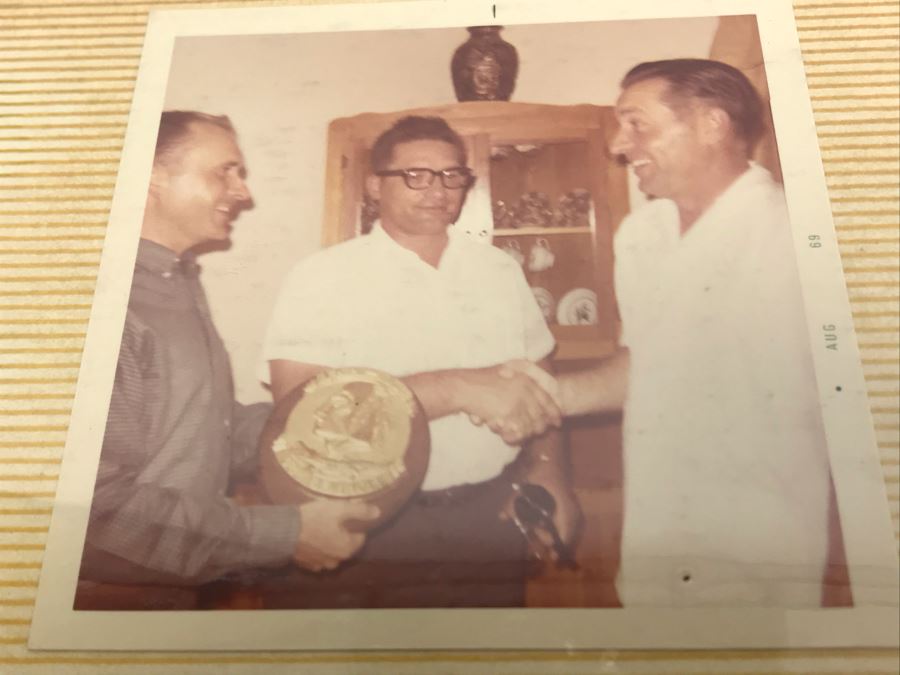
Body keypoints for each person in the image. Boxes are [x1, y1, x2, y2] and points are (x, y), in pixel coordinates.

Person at [509, 59, 832, 606]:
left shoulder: (798, 233)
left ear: (712, 125)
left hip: (758, 546)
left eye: (637, 124)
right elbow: (649, 364)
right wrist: (548, 395)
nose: (617, 144)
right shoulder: (642, 235)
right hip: (655, 539)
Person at [259, 115, 578, 607]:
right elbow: (298, 408)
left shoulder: (497, 271)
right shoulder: (321, 277)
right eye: (416, 175)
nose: (436, 190)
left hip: (486, 515)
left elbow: (541, 378)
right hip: (367, 523)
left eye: (452, 176)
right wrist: (457, 387)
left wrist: (548, 472)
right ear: (373, 186)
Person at [79, 111, 378, 591]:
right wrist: (283, 534)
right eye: (225, 171)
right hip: (111, 606)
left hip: (172, 591)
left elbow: (201, 429)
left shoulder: (175, 281)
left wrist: (318, 422)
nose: (244, 192)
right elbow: (93, 515)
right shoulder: (102, 301)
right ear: (152, 175)